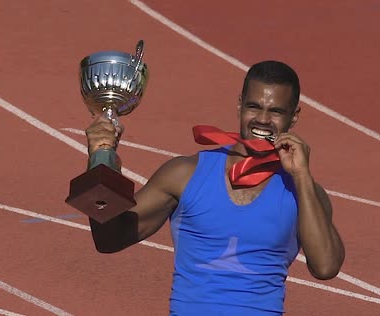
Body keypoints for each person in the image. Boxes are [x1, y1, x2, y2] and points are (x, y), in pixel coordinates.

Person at [84, 60, 345, 315]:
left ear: (294, 116)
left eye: (276, 111)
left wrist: (301, 175)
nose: (263, 119)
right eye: (254, 107)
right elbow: (109, 239)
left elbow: (326, 267)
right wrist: (100, 160)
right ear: (240, 104)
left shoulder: (304, 192)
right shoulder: (185, 174)